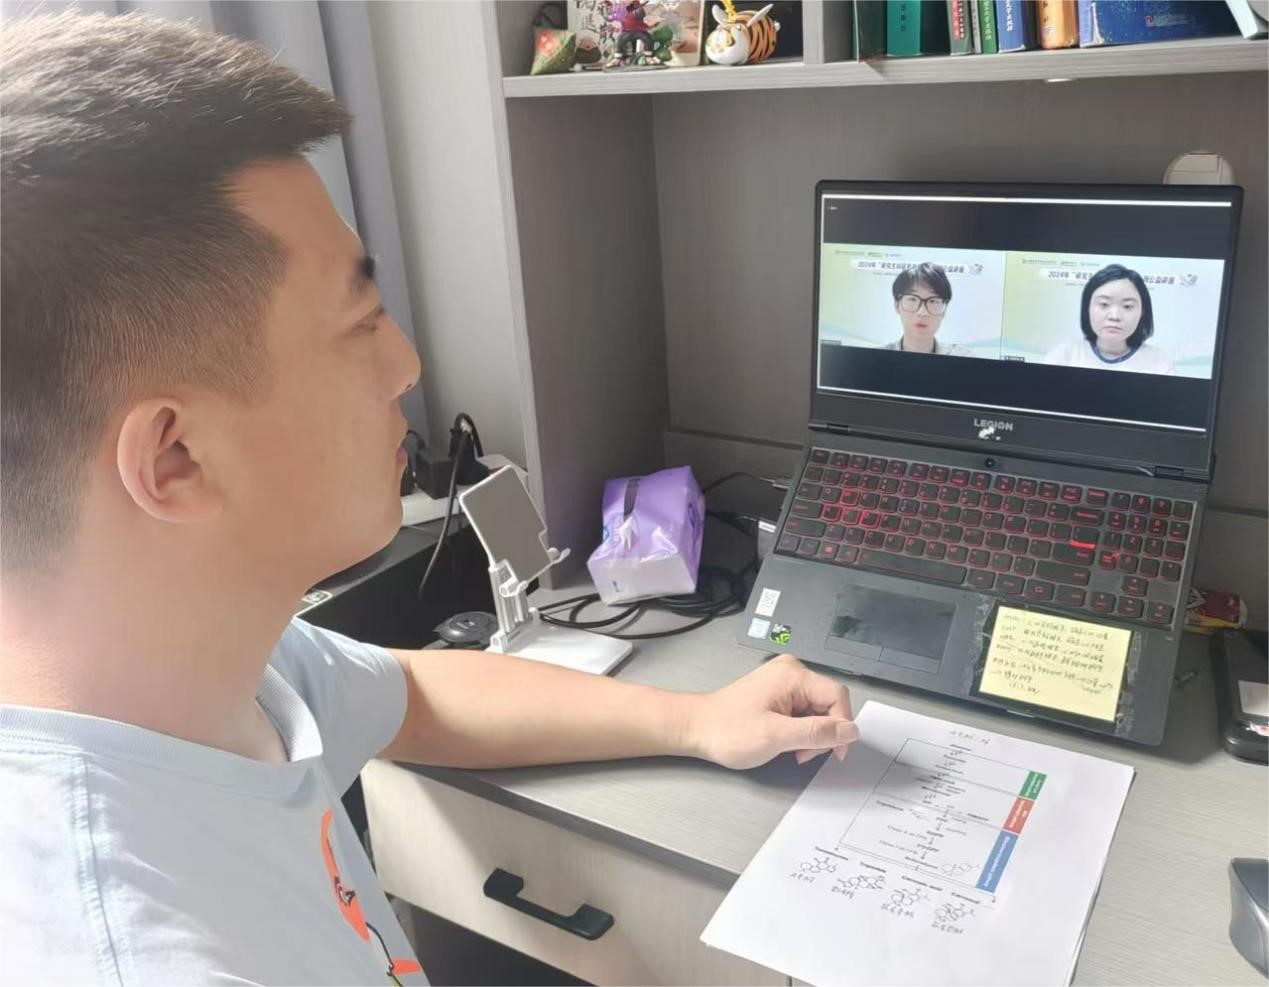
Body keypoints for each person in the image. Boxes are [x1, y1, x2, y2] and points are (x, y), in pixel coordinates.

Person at [0, 12, 859, 986]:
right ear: (176, 460)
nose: (406, 365)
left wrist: (699, 721)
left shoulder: (200, 666)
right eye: (362, 322)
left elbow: (413, 691)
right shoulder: (136, 948)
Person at [1043, 263, 1176, 374]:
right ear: (1087, 307)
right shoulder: (1064, 355)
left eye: (1127, 306)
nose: (1114, 316)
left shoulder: (1159, 363)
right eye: (1104, 304)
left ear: (1142, 312)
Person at [881, 262, 972, 356]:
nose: (922, 312)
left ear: (944, 310)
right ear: (897, 305)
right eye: (913, 299)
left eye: (933, 301)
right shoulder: (878, 356)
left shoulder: (963, 357)